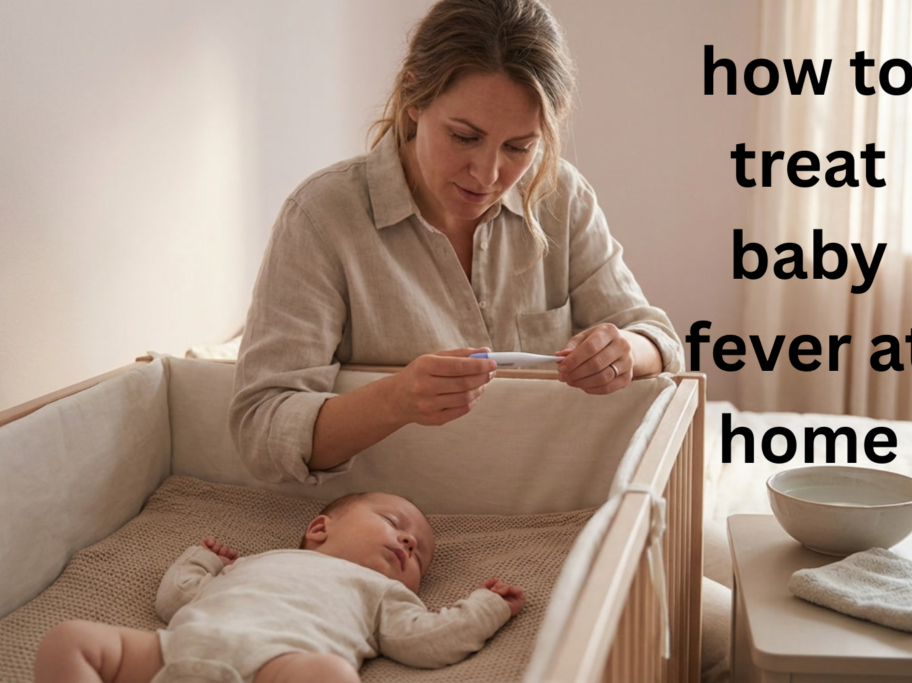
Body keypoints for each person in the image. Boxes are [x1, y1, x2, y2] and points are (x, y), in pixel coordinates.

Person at [227, 0, 683, 486]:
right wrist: (396, 400)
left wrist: (624, 352)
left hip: (544, 510)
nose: (488, 175)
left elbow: (657, 339)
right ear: (413, 97)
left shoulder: (560, 196)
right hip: (389, 522)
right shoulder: (323, 218)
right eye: (464, 137)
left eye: (518, 147)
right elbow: (262, 429)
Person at [34, 492, 525, 683]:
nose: (406, 541)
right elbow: (177, 598)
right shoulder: (258, 562)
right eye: (393, 523)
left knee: (332, 675)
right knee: (69, 640)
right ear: (318, 529)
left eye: (417, 552)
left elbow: (426, 641)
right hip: (176, 651)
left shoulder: (382, 593)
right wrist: (204, 559)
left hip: (278, 666)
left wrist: (487, 606)